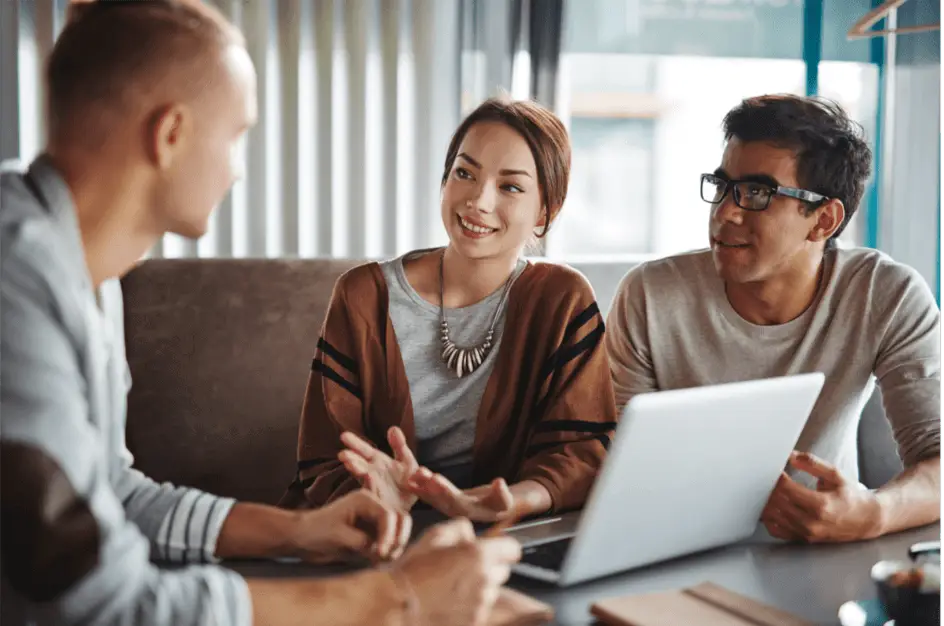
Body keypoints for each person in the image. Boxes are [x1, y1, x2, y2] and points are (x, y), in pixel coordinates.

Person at [0, 2, 520, 625]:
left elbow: (109, 495)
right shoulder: (16, 282)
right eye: (236, 135)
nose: (238, 170)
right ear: (170, 135)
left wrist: (298, 531)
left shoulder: (80, 267)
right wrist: (395, 599)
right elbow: (100, 605)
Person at [604, 94, 941, 544]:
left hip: (826, 551)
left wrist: (873, 513)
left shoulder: (886, 294)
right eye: (722, 186)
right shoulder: (649, 294)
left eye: (758, 193)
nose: (725, 212)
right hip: (673, 545)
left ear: (823, 220)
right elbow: (620, 462)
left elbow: (937, 457)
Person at [279, 97, 618, 523]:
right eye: (465, 173)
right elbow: (325, 453)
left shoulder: (563, 299)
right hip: (369, 536)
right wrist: (377, 498)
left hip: (501, 538)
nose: (479, 200)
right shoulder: (363, 295)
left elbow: (582, 453)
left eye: (510, 186)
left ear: (545, 211)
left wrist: (511, 501)